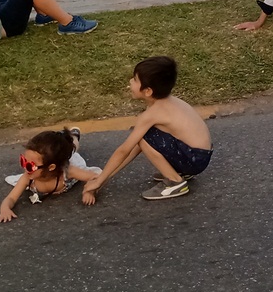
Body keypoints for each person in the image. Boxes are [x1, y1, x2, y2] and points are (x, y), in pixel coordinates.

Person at [82, 56, 213, 203]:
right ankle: (179, 171)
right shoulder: (169, 101)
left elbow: (124, 150)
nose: (130, 82)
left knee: (144, 137)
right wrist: (104, 177)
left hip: (193, 159)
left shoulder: (151, 114)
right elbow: (135, 149)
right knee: (146, 137)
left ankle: (175, 182)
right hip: (198, 155)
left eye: (135, 79)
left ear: (148, 91)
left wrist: (100, 180)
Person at [0, 128, 100, 222]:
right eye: (23, 161)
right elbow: (11, 198)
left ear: (51, 167)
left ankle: (73, 136)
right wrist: (5, 209)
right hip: (55, 161)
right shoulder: (27, 178)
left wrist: (89, 191)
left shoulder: (68, 171)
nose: (24, 168)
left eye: (29, 166)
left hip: (65, 161)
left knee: (72, 150)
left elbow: (95, 177)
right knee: (67, 150)